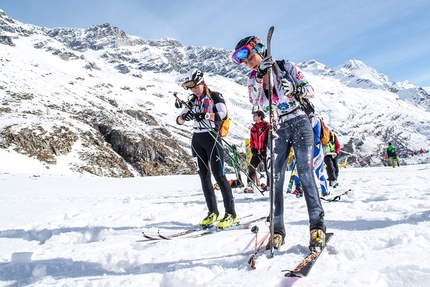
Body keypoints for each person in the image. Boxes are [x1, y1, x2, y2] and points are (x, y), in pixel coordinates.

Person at [231, 36, 326, 250]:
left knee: (305, 173)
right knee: (275, 179)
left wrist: (294, 88)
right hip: (278, 126)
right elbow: (255, 103)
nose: (249, 63)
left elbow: (310, 89)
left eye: (250, 57)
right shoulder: (252, 78)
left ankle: (317, 226)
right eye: (244, 62)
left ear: (261, 50)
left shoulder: (286, 66)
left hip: (300, 121)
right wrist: (259, 78)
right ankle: (277, 230)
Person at [176, 68, 237, 229]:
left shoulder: (215, 95)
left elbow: (222, 114)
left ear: (203, 82)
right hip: (197, 139)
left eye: (196, 86)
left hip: (212, 137)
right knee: (204, 176)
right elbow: (179, 120)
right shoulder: (192, 100)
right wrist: (184, 117)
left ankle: (230, 213)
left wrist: (206, 115)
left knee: (219, 175)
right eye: (191, 88)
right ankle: (213, 212)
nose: (194, 90)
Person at [292, 114, 329, 197]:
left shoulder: (314, 119)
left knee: (315, 171)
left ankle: (324, 192)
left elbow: (305, 130)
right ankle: (299, 189)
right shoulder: (308, 119)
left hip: (315, 148)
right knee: (302, 169)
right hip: (311, 148)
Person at [244, 110, 269, 193]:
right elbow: (252, 139)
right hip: (256, 151)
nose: (253, 116)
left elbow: (270, 138)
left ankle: (269, 185)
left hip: (265, 151)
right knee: (251, 167)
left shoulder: (267, 126)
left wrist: (267, 148)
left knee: (268, 168)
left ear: (260, 116)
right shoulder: (253, 128)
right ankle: (250, 186)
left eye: (255, 115)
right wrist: (252, 148)